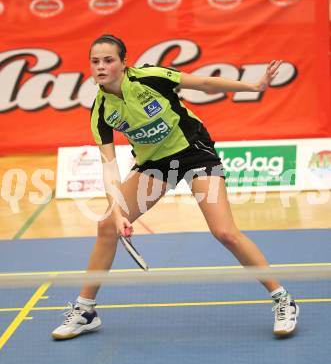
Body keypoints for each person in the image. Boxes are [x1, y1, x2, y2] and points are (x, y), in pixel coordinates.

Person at [51, 34, 299, 340]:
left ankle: (283, 299)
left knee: (225, 232)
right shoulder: (101, 111)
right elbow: (109, 166)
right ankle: (86, 311)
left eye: (108, 60)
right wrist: (117, 212)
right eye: (95, 61)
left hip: (193, 151)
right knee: (105, 226)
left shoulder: (150, 78)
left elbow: (204, 84)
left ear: (123, 63)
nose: (101, 66)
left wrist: (253, 87)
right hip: (155, 165)